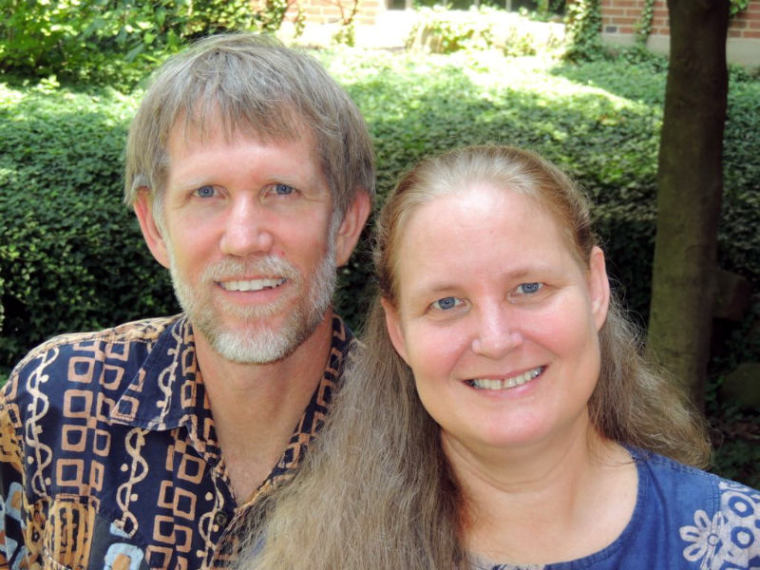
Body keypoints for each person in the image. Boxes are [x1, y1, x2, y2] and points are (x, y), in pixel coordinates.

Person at [239, 145, 760, 569]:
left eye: (529, 287)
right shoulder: (312, 556)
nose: (494, 339)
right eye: (447, 303)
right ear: (398, 331)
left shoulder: (740, 544)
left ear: (595, 287)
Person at [0, 33, 373, 569]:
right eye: (206, 193)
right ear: (155, 226)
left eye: (282, 190)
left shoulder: (421, 435)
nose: (244, 238)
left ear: (346, 223)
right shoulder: (54, 401)